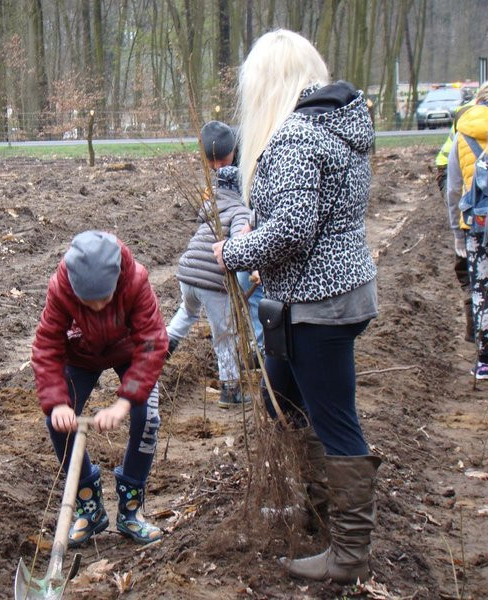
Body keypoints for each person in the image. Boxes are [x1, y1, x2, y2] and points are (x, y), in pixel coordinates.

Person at [213, 30, 381, 584]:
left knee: (334, 420)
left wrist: (233, 250)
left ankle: (348, 554)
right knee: (281, 396)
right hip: (333, 295)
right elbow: (301, 197)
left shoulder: (295, 138)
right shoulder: (336, 128)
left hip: (317, 303)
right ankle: (318, 507)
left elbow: (291, 228)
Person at [31, 231, 166, 547]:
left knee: (146, 418)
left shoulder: (135, 281)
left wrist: (124, 403)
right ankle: (89, 508)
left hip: (129, 350)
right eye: (87, 303)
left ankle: (131, 512)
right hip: (82, 354)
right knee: (57, 421)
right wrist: (58, 403)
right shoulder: (61, 288)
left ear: (117, 280)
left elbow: (152, 343)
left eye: (103, 300)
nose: (95, 308)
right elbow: (46, 346)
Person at [165, 120, 252, 408]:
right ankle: (230, 391)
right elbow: (240, 242)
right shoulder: (241, 211)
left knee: (186, 314)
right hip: (212, 282)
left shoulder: (211, 206)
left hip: (187, 272)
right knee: (224, 335)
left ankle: (159, 351)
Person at [436, 84, 488, 344]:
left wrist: (457, 230)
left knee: (476, 277)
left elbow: (450, 179)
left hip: (475, 216)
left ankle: (482, 347)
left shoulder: (464, 124)